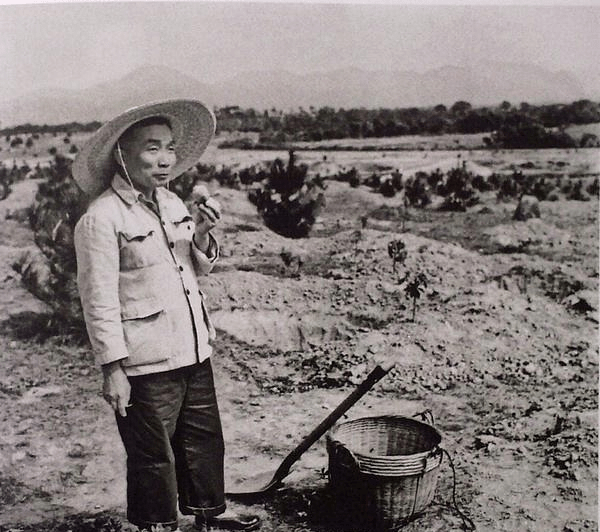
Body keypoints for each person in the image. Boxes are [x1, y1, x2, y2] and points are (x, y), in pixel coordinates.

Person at [72, 100, 260, 532]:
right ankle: (157, 525)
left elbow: (192, 267)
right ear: (122, 154)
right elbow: (97, 299)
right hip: (145, 359)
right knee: (153, 455)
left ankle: (208, 517)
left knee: (203, 441)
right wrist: (113, 369)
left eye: (170, 148)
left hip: (192, 346)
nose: (164, 160)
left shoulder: (173, 202)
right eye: (152, 149)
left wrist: (203, 232)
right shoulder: (101, 219)